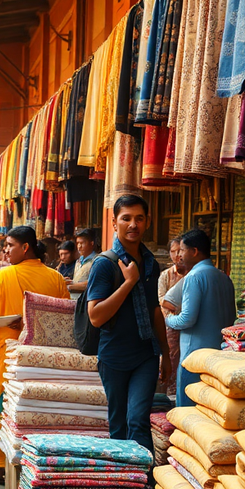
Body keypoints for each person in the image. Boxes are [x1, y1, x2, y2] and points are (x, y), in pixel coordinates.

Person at [0, 226, 70, 484]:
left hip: (7, 352)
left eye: (10, 245)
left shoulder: (6, 275)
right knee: (34, 406)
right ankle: (28, 458)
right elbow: (65, 318)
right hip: (42, 355)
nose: (6, 250)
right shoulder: (55, 277)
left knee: (0, 404)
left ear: (26, 247)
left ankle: (0, 463)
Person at [86, 194, 170, 455]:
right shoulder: (104, 264)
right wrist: (128, 283)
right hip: (113, 355)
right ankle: (123, 484)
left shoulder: (151, 264)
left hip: (145, 353)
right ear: (114, 223)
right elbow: (96, 316)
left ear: (147, 223)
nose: (133, 224)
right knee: (119, 423)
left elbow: (155, 310)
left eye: (139, 218)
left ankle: (143, 484)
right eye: (126, 218)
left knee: (138, 420)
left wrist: (166, 354)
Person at [163, 229, 236, 407]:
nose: (179, 255)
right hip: (221, 355)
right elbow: (231, 318)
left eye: (182, 250)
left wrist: (168, 319)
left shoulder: (194, 277)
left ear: (194, 251)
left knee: (188, 410)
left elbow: (187, 319)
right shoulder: (224, 278)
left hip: (194, 357)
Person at [158, 238, 188, 393]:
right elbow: (161, 299)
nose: (177, 255)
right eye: (173, 251)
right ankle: (168, 389)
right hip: (170, 322)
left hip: (189, 320)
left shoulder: (193, 274)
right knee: (170, 355)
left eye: (180, 250)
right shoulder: (166, 275)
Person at [68, 228, 97, 299]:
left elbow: (92, 283)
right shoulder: (78, 261)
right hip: (74, 300)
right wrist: (70, 282)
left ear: (91, 243)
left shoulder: (96, 261)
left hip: (86, 301)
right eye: (78, 243)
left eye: (82, 243)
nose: (79, 247)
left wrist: (70, 286)